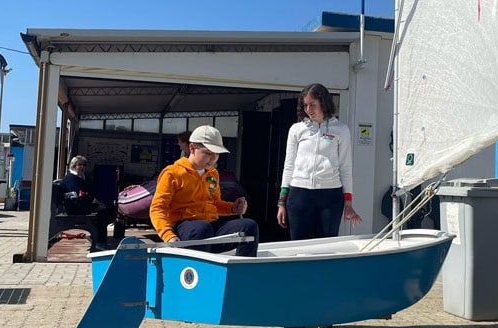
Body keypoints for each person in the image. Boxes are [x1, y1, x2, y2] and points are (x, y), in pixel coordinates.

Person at [150, 125, 259, 255]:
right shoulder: (172, 173)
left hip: (209, 226)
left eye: (217, 154)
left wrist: (232, 208)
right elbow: (158, 208)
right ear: (192, 148)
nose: (213, 158)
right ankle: (197, 266)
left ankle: (243, 266)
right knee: (202, 228)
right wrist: (168, 236)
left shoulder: (213, 174)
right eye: (208, 153)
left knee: (249, 226)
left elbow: (215, 204)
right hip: (184, 227)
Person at [276, 83, 361, 239]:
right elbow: (289, 166)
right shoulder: (296, 129)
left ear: (324, 103)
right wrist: (281, 202)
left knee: (326, 246)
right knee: (299, 246)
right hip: (299, 194)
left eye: (313, 105)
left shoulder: (341, 130)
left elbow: (345, 167)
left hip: (330, 196)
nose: (308, 109)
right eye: (305, 105)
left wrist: (348, 203)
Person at [59, 155, 116, 251]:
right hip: (74, 208)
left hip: (81, 205)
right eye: (79, 165)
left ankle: (99, 239)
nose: (82, 167)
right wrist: (94, 202)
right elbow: (79, 194)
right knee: (102, 214)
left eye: (84, 165)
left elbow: (90, 192)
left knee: (107, 211)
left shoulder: (82, 177)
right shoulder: (70, 179)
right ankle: (100, 242)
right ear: (73, 166)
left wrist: (96, 201)